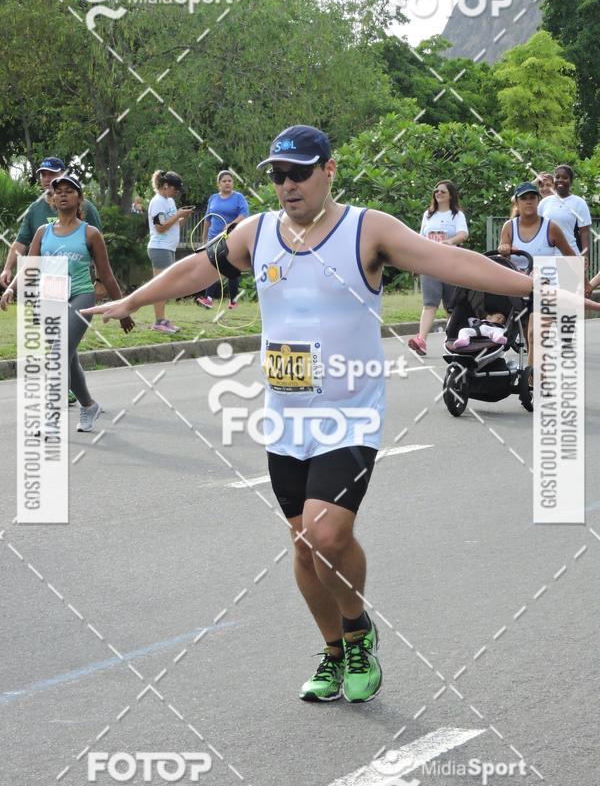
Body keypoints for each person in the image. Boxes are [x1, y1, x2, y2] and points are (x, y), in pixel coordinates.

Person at [83, 125, 580, 705]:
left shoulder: (366, 230)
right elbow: (197, 269)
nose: (287, 185)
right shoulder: (257, 232)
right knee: (302, 545)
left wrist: (539, 288)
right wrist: (133, 299)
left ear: (329, 170)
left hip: (351, 411)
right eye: (277, 174)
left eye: (299, 172)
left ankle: (359, 630)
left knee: (327, 533)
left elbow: (451, 262)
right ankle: (333, 650)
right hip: (287, 413)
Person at [1, 175, 134, 432]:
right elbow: (29, 268)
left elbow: (106, 275)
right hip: (50, 296)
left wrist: (123, 308)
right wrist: (10, 289)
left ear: (79, 198)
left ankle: (51, 417)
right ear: (52, 199)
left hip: (80, 295)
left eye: (69, 191)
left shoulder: (90, 233)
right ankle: (88, 405)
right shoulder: (43, 232)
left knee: (59, 352)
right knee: (68, 358)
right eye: (57, 192)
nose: (62, 195)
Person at [498, 181, 590, 366]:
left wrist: (585, 283)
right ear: (517, 202)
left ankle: (534, 379)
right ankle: (534, 374)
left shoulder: (551, 227)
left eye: (532, 197)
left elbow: (570, 257)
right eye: (524, 198)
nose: (529, 202)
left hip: (544, 286)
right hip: (517, 287)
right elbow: (501, 251)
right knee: (527, 336)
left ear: (538, 201)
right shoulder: (509, 227)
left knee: (534, 334)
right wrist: (504, 248)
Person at [0, 157, 103, 288]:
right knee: (40, 309)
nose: (47, 179)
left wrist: (100, 282)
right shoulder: (34, 209)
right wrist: (7, 268)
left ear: (64, 174)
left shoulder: (85, 207)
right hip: (41, 283)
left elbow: (99, 248)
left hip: (76, 283)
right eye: (44, 175)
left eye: (52, 174)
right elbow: (21, 242)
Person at [408, 180, 469, 356]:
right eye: (436, 190)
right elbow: (420, 237)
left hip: (450, 263)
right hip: (429, 263)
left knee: (451, 305)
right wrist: (415, 261)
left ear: (451, 194)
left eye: (443, 191)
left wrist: (450, 241)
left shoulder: (456, 215)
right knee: (429, 304)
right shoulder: (428, 214)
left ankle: (452, 340)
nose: (438, 193)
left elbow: (463, 234)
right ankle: (421, 340)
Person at [147, 170, 193, 333]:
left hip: (168, 248)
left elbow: (174, 224)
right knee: (161, 285)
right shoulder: (157, 201)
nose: (176, 192)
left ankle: (162, 320)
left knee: (165, 286)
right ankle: (159, 321)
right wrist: (178, 214)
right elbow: (160, 227)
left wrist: (183, 217)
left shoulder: (169, 202)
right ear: (166, 186)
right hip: (159, 247)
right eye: (175, 189)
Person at [196, 170, 249, 310]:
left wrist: (231, 224)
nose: (227, 183)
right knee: (212, 267)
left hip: (232, 237)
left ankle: (233, 301)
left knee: (231, 267)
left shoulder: (238, 197)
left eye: (230, 181)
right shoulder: (213, 198)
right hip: (214, 237)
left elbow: (244, 214)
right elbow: (207, 219)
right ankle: (208, 299)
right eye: (224, 181)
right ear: (219, 184)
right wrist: (204, 238)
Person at [538, 165, 592, 274]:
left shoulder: (579, 203)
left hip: (569, 257)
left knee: (568, 291)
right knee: (546, 291)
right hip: (545, 257)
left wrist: (585, 255)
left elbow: (584, 232)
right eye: (557, 177)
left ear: (571, 181)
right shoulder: (544, 202)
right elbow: (536, 228)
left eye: (565, 177)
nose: (560, 180)